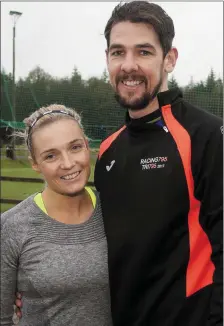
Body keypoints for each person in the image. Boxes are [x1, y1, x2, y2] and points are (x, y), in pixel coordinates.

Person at [15, 1, 223, 326]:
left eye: (143, 52)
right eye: (118, 52)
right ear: (107, 60)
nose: (129, 66)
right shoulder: (109, 150)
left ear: (169, 59)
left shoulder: (206, 135)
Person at [1, 104, 112, 326]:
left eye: (75, 147)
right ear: (35, 163)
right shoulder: (12, 227)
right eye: (51, 156)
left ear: (87, 147)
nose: (68, 163)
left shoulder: (115, 209)